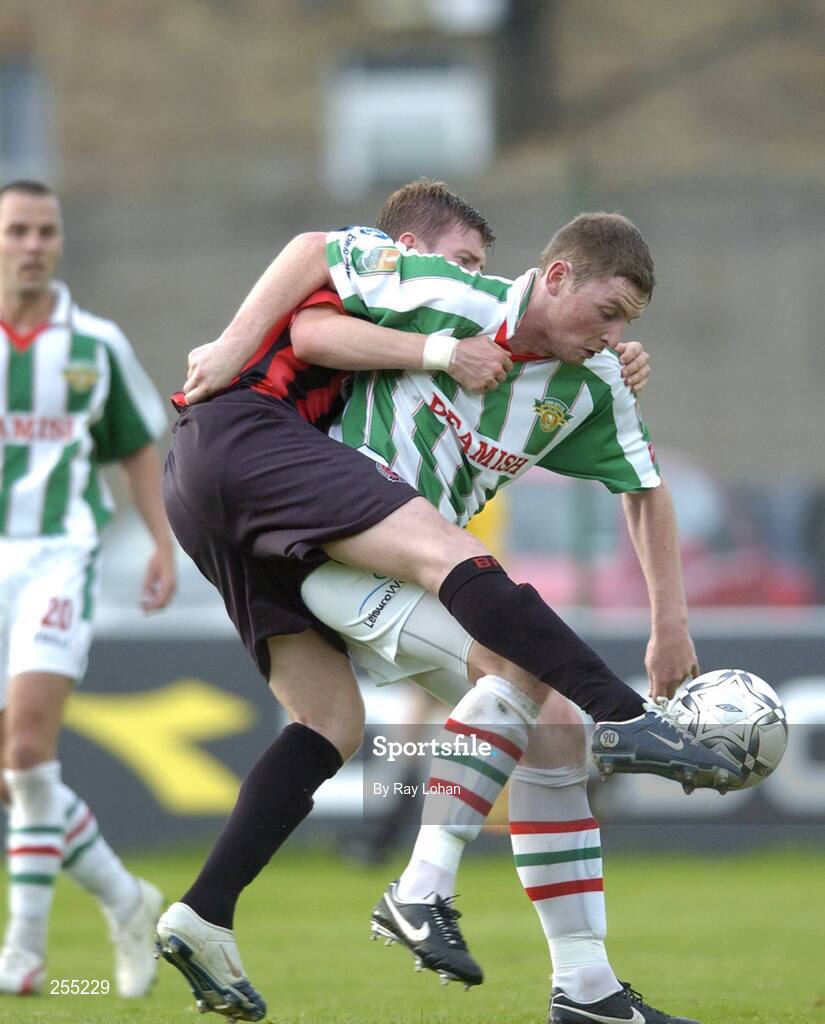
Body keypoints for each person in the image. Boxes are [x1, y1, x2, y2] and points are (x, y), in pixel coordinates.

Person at [156, 194, 734, 1022]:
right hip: (323, 528)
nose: (610, 336)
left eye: (623, 324)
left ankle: (585, 988)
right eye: (604, 314)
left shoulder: (591, 380)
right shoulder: (443, 301)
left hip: (307, 528)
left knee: (431, 724)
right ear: (557, 275)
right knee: (512, 651)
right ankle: (427, 883)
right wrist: (239, 347)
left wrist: (669, 623)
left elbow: (644, 488)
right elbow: (314, 287)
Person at [0, 180, 175, 996]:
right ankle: (124, 895)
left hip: (59, 555)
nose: (33, 245)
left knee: (29, 749)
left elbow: (138, 446)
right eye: (17, 231)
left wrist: (161, 544)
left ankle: (25, 951)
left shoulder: (95, 344)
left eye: (45, 231)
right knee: (12, 771)